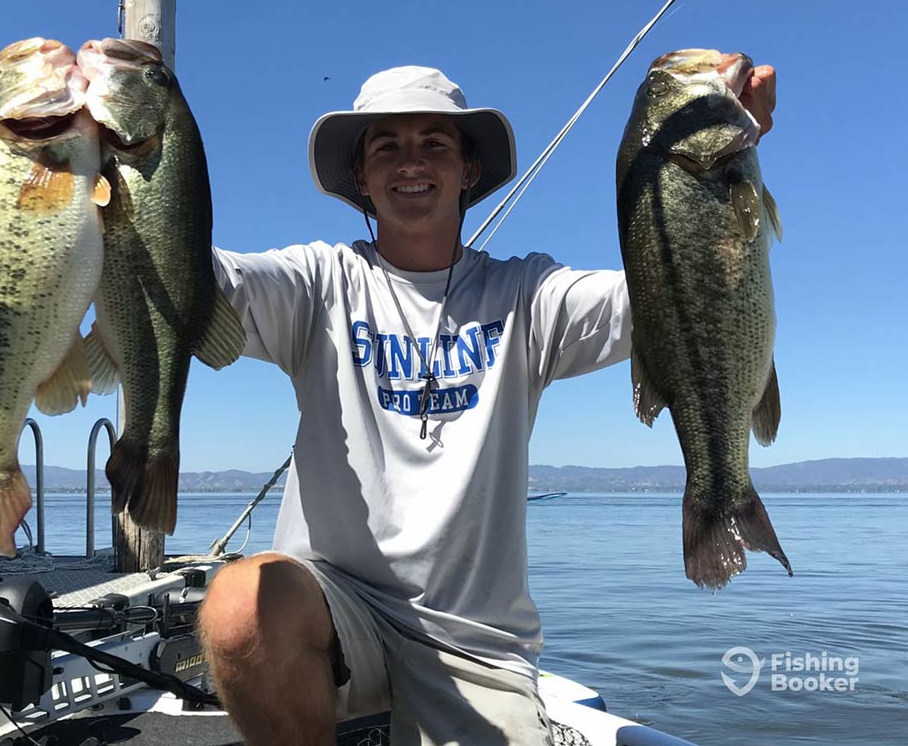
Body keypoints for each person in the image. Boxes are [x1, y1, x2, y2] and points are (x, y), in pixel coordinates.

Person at [198, 64, 777, 746]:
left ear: (468, 169)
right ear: (360, 176)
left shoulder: (528, 295)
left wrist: (714, 163)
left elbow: (668, 292)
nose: (411, 161)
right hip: (336, 612)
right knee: (239, 605)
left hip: (477, 646)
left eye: (434, 144)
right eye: (386, 145)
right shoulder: (318, 284)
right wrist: (115, 187)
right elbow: (205, 279)